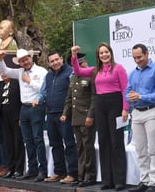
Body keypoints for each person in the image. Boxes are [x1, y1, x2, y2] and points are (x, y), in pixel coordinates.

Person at [72, 43, 129, 191]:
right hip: (100, 105)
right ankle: (106, 180)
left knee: (116, 142)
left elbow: (125, 90)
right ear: (98, 56)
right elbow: (77, 70)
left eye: (106, 52)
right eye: (101, 53)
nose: (104, 55)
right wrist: (73, 55)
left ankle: (119, 180)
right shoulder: (94, 71)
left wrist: (125, 109)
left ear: (111, 53)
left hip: (115, 104)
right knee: (103, 142)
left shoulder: (119, 68)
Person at [0, 49, 48, 182]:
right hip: (23, 108)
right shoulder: (19, 72)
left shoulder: (41, 71)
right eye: (22, 61)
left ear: (31, 58)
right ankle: (32, 169)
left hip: (36, 106)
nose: (25, 62)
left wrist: (29, 81)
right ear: (19, 63)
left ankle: (43, 170)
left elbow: (44, 89)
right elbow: (5, 71)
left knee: (37, 139)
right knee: (27, 141)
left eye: (26, 59)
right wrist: (0, 59)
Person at [126, 43, 155, 192]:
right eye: (134, 58)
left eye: (139, 57)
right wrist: (131, 97)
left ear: (147, 53)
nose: (137, 60)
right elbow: (127, 92)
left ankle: (154, 183)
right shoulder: (132, 73)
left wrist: (141, 96)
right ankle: (144, 181)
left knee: (153, 149)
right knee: (140, 149)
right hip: (136, 112)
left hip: (153, 112)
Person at [35, 51, 78, 184]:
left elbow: (73, 93)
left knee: (69, 144)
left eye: (57, 59)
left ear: (61, 59)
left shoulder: (70, 72)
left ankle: (73, 174)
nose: (55, 62)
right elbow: (43, 92)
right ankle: (59, 172)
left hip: (65, 114)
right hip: (51, 114)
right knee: (55, 145)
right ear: (49, 63)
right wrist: (38, 99)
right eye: (52, 61)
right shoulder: (48, 76)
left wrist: (67, 112)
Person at [61, 53, 97, 187]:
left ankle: (90, 175)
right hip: (76, 118)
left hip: (87, 117)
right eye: (80, 63)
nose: (83, 64)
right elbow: (69, 98)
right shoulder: (73, 78)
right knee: (80, 147)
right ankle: (81, 176)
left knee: (88, 147)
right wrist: (65, 113)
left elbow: (94, 97)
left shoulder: (90, 75)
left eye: (83, 62)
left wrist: (91, 115)